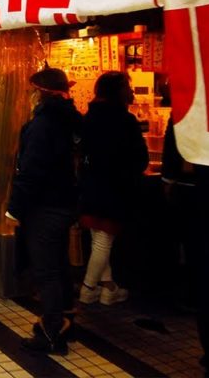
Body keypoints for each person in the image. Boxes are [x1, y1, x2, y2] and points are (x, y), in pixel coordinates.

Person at [8, 67, 82, 354]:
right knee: (60, 267)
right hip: (64, 204)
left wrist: (14, 208)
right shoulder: (68, 119)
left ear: (41, 93)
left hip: (44, 208)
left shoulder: (43, 125)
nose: (29, 96)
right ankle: (67, 322)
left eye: (32, 91)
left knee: (46, 272)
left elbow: (32, 171)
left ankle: (52, 333)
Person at [77, 72, 148, 306]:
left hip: (90, 186)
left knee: (98, 237)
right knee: (103, 240)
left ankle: (108, 288)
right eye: (128, 86)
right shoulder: (124, 121)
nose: (132, 91)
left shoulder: (89, 117)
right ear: (117, 91)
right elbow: (139, 159)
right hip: (114, 189)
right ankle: (88, 289)